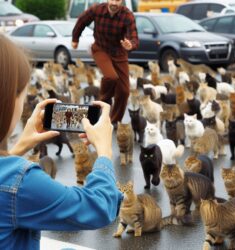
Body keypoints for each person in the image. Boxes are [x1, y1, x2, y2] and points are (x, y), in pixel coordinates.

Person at [0, 34, 123, 249]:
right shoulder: (21, 182)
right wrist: (104, 151)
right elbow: (98, 208)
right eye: (21, 94)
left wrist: (18, 148)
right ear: (7, 100)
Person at [72, 0, 139, 126]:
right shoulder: (97, 10)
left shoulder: (127, 15)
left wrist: (131, 44)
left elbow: (133, 36)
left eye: (118, 0)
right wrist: (75, 38)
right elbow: (82, 21)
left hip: (119, 53)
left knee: (124, 91)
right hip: (100, 49)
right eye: (112, 0)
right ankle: (103, 100)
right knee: (111, 76)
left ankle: (114, 120)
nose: (114, 3)